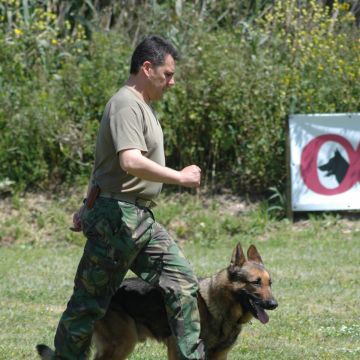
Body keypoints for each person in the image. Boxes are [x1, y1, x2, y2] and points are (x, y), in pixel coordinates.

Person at [52, 35, 206, 360]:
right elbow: (129, 161)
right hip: (117, 220)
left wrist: (85, 203)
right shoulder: (125, 104)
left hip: (136, 219)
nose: (173, 82)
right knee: (88, 305)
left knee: (182, 283)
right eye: (168, 74)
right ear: (147, 68)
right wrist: (179, 177)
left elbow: (102, 164)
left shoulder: (141, 105)